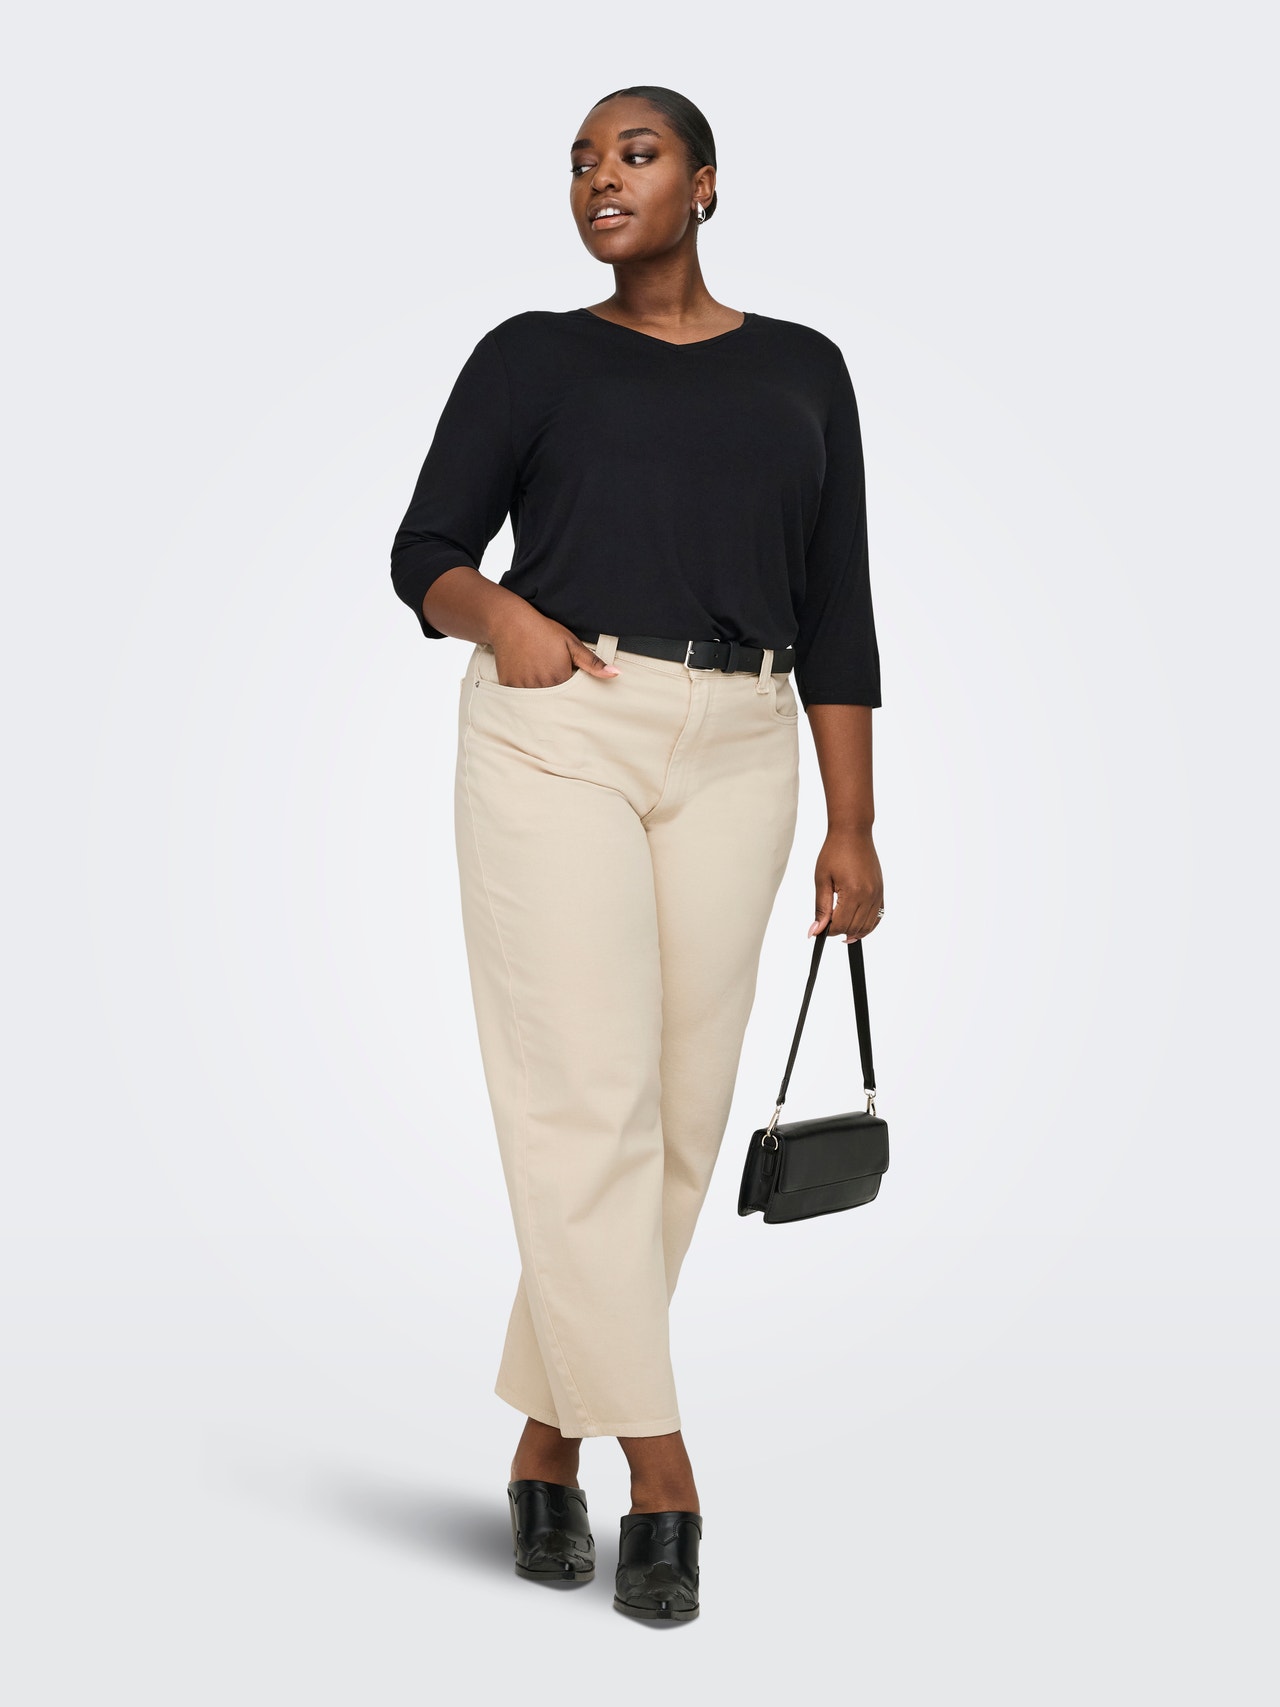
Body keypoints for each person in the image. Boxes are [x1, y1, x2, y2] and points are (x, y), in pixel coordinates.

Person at [389, 84, 884, 1622]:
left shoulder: (805, 368)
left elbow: (842, 608)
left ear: (707, 184)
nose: (601, 178)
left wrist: (854, 821)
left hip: (745, 744)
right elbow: (425, 554)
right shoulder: (531, 356)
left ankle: (548, 1440)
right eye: (582, 162)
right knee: (585, 1104)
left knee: (675, 1120)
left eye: (636, 153)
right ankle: (661, 1470)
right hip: (563, 730)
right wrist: (506, 619)